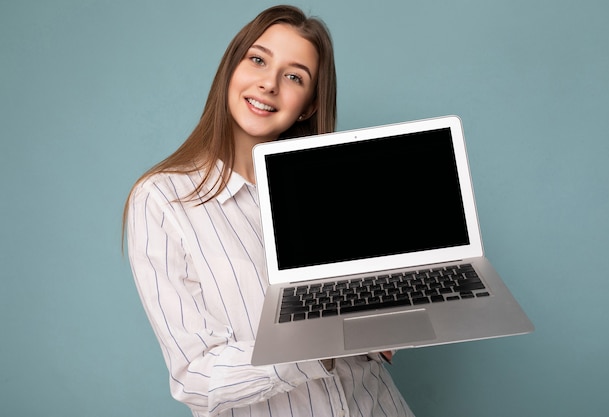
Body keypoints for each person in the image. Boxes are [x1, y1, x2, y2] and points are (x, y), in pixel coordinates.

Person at [124, 5, 415, 417]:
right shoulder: (162, 200)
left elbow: (374, 325)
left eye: (294, 76)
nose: (269, 84)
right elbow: (196, 378)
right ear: (232, 68)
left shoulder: (334, 190)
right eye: (258, 60)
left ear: (310, 105)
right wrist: (319, 349)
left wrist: (392, 319)